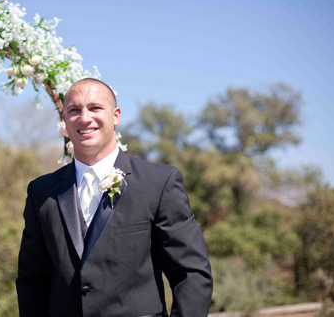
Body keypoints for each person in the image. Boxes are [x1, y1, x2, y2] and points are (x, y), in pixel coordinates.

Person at [16, 78, 212, 317]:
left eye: (95, 108)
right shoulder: (41, 192)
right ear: (65, 121)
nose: (85, 118)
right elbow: (32, 281)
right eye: (74, 110)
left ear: (116, 115)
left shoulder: (159, 183)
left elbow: (191, 273)